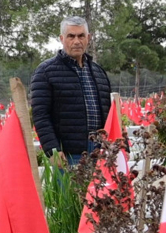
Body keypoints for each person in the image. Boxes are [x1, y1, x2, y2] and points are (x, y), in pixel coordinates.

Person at [30, 16, 112, 165]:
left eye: (81, 36)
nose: (76, 41)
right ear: (62, 38)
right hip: (68, 154)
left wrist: (120, 146)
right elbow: (40, 115)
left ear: (88, 38)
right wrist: (52, 149)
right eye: (71, 36)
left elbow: (110, 112)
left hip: (101, 152)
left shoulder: (99, 72)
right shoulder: (45, 72)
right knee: (70, 190)